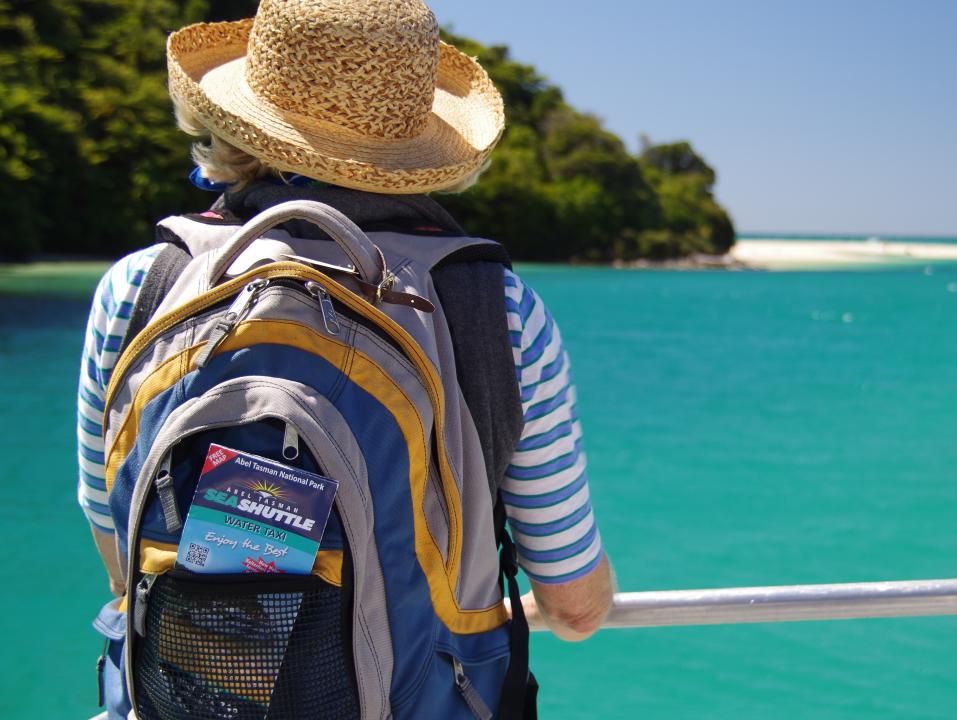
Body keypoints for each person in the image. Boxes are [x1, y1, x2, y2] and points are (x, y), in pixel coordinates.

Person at [77, 0, 614, 674]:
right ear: (420, 145)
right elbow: (573, 602)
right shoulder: (495, 310)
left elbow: (118, 549)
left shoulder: (142, 285)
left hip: (193, 694)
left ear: (233, 122)